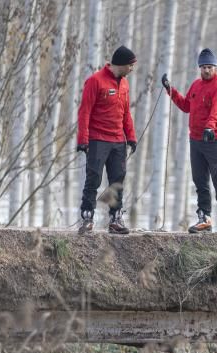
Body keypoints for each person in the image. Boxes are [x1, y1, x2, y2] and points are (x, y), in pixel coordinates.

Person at [162, 48, 217, 234]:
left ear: (215, 67)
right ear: (199, 68)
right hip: (195, 139)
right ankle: (204, 217)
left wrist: (210, 127)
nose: (207, 71)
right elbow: (187, 106)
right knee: (200, 179)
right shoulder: (196, 85)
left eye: (210, 67)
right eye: (203, 67)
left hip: (214, 138)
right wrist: (171, 91)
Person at [76, 45, 138, 235]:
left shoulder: (125, 84)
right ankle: (87, 217)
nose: (132, 69)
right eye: (131, 65)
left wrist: (131, 137)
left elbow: (126, 113)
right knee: (93, 178)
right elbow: (84, 112)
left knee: (117, 180)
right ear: (122, 64)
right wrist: (83, 139)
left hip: (118, 140)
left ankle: (115, 219)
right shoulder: (95, 81)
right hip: (98, 139)